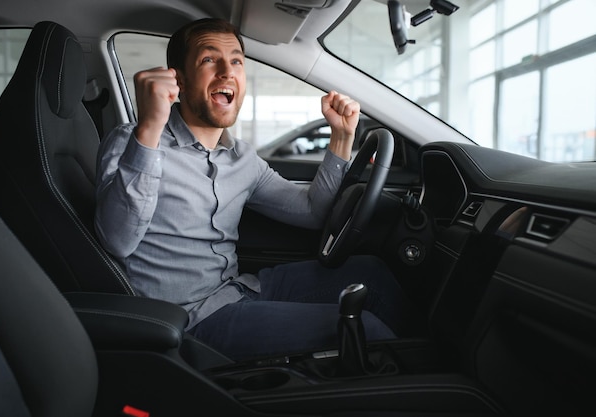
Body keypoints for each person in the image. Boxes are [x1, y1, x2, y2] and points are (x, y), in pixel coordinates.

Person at [95, 17, 418, 361]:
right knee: (364, 329)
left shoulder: (241, 158)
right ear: (180, 79)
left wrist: (341, 137)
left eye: (236, 61)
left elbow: (311, 212)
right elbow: (116, 240)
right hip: (193, 319)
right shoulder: (133, 141)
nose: (227, 71)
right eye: (209, 59)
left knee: (372, 274)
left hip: (239, 288)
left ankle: (426, 369)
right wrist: (150, 128)